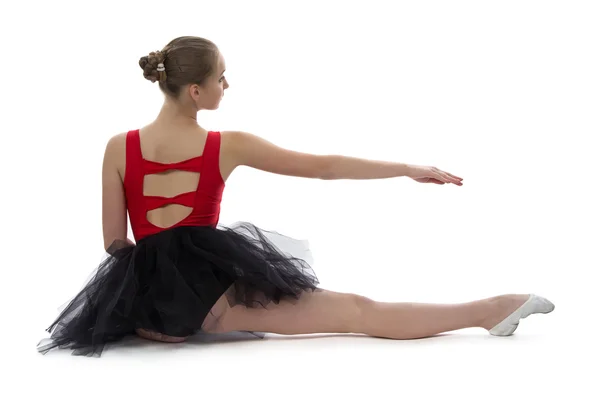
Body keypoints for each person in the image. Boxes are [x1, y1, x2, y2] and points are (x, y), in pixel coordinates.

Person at [36, 36, 555, 357]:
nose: (227, 85)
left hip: (152, 304)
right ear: (195, 91)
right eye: (221, 78)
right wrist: (405, 169)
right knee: (356, 311)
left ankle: (168, 325)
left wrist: (151, 302)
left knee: (353, 311)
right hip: (214, 293)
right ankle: (489, 310)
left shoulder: (117, 147)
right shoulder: (227, 144)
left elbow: (114, 242)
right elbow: (323, 168)